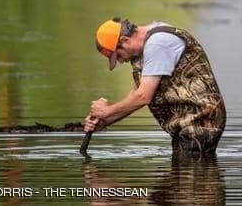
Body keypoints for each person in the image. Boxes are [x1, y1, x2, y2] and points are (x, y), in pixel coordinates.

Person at [85, 17, 226, 154]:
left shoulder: (157, 44)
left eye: (118, 55)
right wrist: (106, 121)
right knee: (183, 170)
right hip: (186, 122)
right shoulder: (149, 45)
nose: (121, 61)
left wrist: (106, 111)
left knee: (192, 169)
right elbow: (137, 92)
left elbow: (143, 96)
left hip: (201, 120)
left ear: (125, 40)